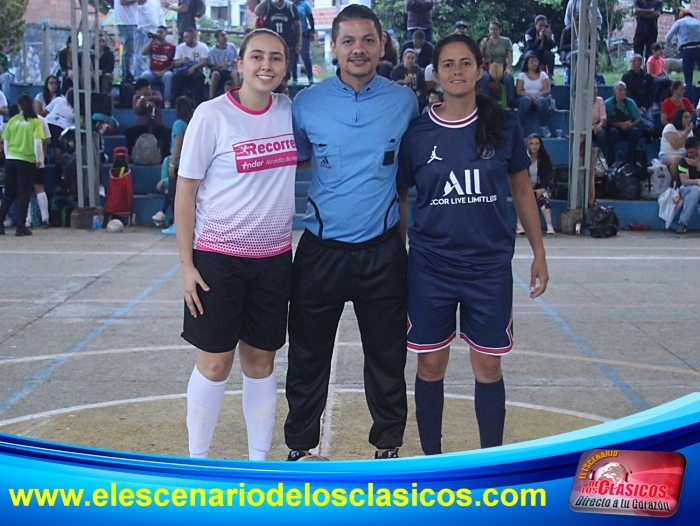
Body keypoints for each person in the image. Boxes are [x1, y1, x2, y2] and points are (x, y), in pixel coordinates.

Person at [397, 33, 548, 455]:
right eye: (448, 64)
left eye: (466, 63)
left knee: (487, 365)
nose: (457, 71)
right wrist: (398, 255)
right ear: (435, 73)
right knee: (430, 363)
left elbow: (521, 189)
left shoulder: (504, 124)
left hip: (488, 268)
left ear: (481, 68)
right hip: (430, 267)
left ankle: (490, 464)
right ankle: (432, 460)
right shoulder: (417, 132)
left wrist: (539, 252)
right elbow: (403, 199)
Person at [285, 4, 419, 461]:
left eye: (367, 40)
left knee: (386, 356)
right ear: (334, 47)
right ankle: (300, 446)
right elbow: (293, 161)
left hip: (381, 252)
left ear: (382, 46)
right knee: (306, 356)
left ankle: (388, 445)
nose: (358, 49)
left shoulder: (404, 102)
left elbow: (406, 175)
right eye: (348, 41)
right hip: (320, 250)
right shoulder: (306, 104)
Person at [174, 29, 296, 461]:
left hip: (275, 259)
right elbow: (185, 193)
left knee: (261, 363)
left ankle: (258, 462)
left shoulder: (290, 112)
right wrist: (187, 266)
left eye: (276, 58)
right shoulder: (212, 116)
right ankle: (198, 462)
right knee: (214, 364)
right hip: (217, 261)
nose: (267, 65)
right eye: (258, 56)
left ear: (286, 65)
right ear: (239, 63)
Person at [0, 94, 45, 237]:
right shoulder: (35, 122)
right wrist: (39, 160)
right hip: (26, 160)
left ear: (19, 106)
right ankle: (21, 226)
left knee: (8, 193)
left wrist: (8, 156)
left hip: (11, 159)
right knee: (23, 193)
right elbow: (38, 143)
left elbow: (6, 142)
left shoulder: (12, 121)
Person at [159, 95, 191, 235]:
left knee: (174, 195)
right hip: (188, 164)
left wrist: (172, 163)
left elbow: (178, 142)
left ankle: (177, 224)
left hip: (178, 164)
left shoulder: (178, 124)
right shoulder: (190, 123)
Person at [516, 134, 555, 235]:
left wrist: (542, 188)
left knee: (544, 197)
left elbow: (547, 175)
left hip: (540, 187)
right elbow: (519, 176)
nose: (534, 146)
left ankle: (549, 225)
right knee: (523, 198)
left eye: (537, 143)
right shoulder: (523, 158)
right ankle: (519, 224)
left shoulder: (544, 159)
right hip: (525, 187)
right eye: (532, 144)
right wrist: (529, 188)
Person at [255, 0, 302, 83]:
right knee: (272, 70)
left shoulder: (290, 6)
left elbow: (297, 26)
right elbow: (257, 11)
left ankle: (283, 90)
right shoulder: (269, 5)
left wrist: (298, 42)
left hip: (287, 45)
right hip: (270, 45)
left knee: (284, 72)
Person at [124, 78, 171, 159]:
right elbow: (136, 110)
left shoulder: (156, 94)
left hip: (156, 126)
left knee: (167, 133)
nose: (138, 92)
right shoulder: (136, 98)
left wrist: (146, 99)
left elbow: (159, 99)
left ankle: (164, 157)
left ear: (147, 88)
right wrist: (145, 104)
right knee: (128, 132)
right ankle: (131, 156)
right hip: (142, 126)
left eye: (140, 90)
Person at [604, 81, 647, 166]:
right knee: (612, 132)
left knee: (636, 132)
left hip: (628, 128)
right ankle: (611, 159)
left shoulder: (630, 102)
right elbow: (606, 121)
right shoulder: (608, 103)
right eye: (620, 90)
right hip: (615, 128)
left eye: (624, 90)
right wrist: (620, 124)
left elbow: (639, 119)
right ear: (615, 91)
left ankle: (629, 158)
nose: (623, 92)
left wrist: (630, 125)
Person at [665, 9, 700, 105]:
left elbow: (667, 37)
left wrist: (673, 44)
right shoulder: (697, 22)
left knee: (688, 79)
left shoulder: (679, 22)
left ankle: (691, 103)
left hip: (687, 50)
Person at [516, 51, 552, 138]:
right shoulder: (522, 75)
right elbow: (519, 91)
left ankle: (544, 127)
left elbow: (547, 89)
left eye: (536, 61)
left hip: (540, 97)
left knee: (541, 101)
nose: (534, 63)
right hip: (526, 98)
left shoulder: (543, 74)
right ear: (527, 64)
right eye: (532, 61)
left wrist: (538, 95)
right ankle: (519, 128)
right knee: (526, 100)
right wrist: (530, 95)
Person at [479, 20, 515, 108]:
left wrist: (508, 68)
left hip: (502, 67)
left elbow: (510, 57)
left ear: (500, 30)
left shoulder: (506, 41)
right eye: (491, 29)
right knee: (484, 77)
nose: (492, 31)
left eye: (495, 29)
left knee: (508, 78)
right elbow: (479, 57)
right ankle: (484, 103)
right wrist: (483, 46)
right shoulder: (486, 41)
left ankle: (511, 102)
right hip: (488, 67)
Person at [141, 25, 176, 108]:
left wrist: (163, 71)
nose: (158, 34)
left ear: (166, 34)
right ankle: (144, 99)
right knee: (145, 75)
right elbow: (143, 52)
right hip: (152, 72)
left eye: (161, 32)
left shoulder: (171, 47)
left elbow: (173, 63)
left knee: (169, 76)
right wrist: (151, 40)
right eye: (157, 32)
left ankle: (167, 100)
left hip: (165, 72)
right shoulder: (152, 45)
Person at [44, 90, 75, 182]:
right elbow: (44, 112)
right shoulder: (59, 100)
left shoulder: (77, 109)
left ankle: (59, 181)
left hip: (62, 129)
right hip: (48, 124)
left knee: (59, 152)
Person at [172, 28, 208, 107]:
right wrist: (183, 61)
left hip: (197, 71)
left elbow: (205, 61)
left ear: (193, 37)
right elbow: (175, 63)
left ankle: (198, 104)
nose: (184, 39)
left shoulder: (202, 47)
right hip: (183, 71)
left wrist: (194, 67)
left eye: (186, 37)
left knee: (198, 77)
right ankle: (177, 103)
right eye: (184, 37)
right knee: (177, 77)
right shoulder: (180, 47)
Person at [659, 108, 693, 184]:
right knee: (676, 160)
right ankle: (675, 183)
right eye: (686, 117)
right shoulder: (670, 127)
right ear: (679, 118)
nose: (688, 119)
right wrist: (686, 132)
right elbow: (676, 145)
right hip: (666, 155)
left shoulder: (689, 130)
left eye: (689, 117)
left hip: (683, 155)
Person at [675, 136, 700, 234]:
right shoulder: (683, 161)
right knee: (695, 191)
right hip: (686, 189)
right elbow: (684, 181)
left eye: (692, 152)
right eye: (688, 152)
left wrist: (698, 166)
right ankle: (683, 223)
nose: (689, 155)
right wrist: (697, 181)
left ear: (698, 149)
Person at [135, 0, 165, 79]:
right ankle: (138, 77)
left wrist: (162, 27)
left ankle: (149, 75)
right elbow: (135, 11)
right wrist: (137, 25)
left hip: (154, 31)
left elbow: (160, 14)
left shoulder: (156, 1)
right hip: (142, 30)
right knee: (139, 54)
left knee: (152, 55)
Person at [208, 30, 239, 100]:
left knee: (236, 73)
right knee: (215, 74)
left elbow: (237, 59)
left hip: (230, 71)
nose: (225, 37)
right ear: (217, 38)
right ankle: (211, 98)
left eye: (225, 35)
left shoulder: (232, 47)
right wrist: (221, 65)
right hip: (219, 71)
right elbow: (211, 68)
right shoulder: (212, 51)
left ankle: (238, 96)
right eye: (222, 35)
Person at [622, 54, 655, 121]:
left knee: (651, 116)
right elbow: (628, 94)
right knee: (640, 116)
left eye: (634, 61)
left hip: (647, 106)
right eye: (631, 61)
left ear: (640, 63)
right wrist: (639, 106)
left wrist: (645, 106)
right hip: (633, 105)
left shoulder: (648, 77)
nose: (632, 63)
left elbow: (651, 93)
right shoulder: (626, 77)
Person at [115, 0, 139, 82]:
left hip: (130, 21)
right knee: (129, 50)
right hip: (126, 22)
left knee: (130, 50)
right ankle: (126, 74)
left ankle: (127, 74)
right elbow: (123, 2)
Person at [295, 0, 315, 84]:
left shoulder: (305, 4)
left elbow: (310, 18)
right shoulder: (287, 5)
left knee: (306, 56)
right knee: (293, 58)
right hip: (292, 34)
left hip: (304, 33)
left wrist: (312, 31)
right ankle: (294, 78)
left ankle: (310, 77)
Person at [647, 43, 672, 108]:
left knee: (671, 82)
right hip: (653, 78)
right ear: (654, 51)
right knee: (661, 82)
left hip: (660, 76)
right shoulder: (651, 60)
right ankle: (656, 101)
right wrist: (660, 78)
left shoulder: (661, 60)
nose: (661, 51)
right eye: (659, 50)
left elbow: (661, 69)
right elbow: (650, 74)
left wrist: (666, 75)